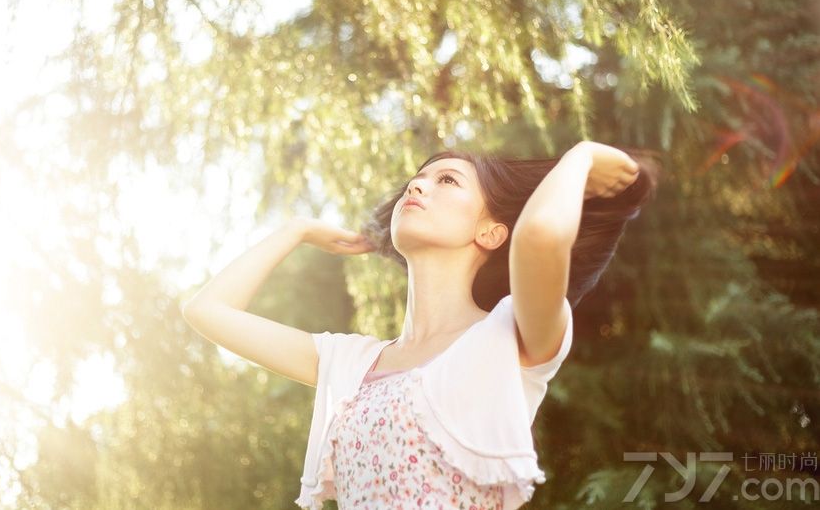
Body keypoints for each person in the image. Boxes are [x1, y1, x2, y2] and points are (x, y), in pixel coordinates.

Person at [180, 140, 659, 509]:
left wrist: (579, 158)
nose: (417, 186)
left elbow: (539, 236)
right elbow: (207, 311)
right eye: (417, 179)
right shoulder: (351, 363)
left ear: (491, 231)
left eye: (447, 181)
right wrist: (296, 231)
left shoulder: (507, 335)